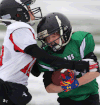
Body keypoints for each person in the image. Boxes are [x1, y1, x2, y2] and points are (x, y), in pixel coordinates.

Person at [0, 0, 94, 105]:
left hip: (12, 85)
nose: (31, 10)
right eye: (28, 7)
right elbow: (41, 56)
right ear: (18, 14)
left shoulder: (16, 30)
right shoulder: (19, 27)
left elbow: (35, 70)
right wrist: (74, 65)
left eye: (53, 36)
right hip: (7, 86)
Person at [35, 12, 100, 105]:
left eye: (53, 36)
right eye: (46, 39)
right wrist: (66, 87)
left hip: (90, 96)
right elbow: (48, 87)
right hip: (66, 100)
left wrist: (74, 84)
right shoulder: (47, 54)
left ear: (64, 32)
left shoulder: (79, 42)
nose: (50, 41)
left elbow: (95, 71)